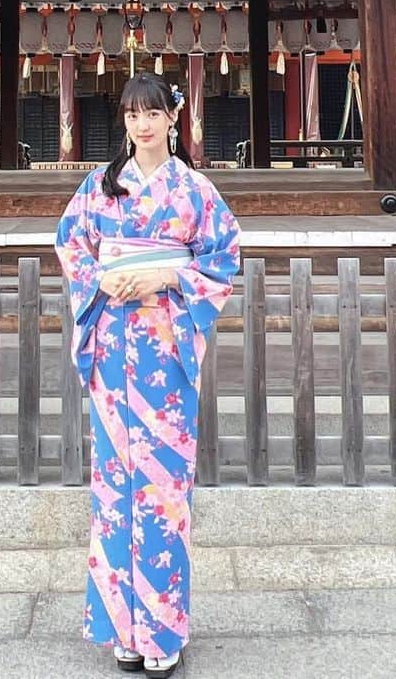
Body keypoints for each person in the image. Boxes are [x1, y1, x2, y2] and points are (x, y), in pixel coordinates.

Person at [55, 71, 242, 675]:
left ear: (173, 118)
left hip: (165, 342)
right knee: (113, 486)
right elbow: (71, 245)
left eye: (153, 113)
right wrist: (101, 279)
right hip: (114, 340)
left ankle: (162, 629)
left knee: (163, 489)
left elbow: (222, 255)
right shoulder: (99, 186)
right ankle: (120, 627)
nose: (142, 124)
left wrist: (167, 276)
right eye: (132, 114)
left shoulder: (195, 191)